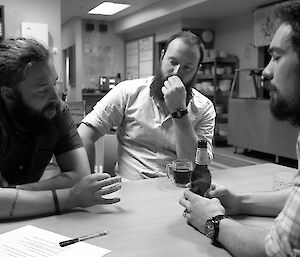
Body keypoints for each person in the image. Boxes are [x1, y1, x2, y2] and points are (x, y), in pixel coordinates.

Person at [179, 1, 300, 256]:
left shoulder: (203, 105)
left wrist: (213, 222)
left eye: (277, 57)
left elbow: (277, 251)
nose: (265, 71)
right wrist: (239, 201)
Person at [0, 37, 121, 220]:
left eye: (54, 84)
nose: (56, 98)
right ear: (8, 94)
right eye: (42, 89)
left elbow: (80, 176)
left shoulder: (55, 111)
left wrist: (10, 194)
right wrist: (69, 197)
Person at [78, 31, 216, 180]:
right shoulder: (128, 92)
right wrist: (86, 182)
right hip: (130, 190)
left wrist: (179, 112)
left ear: (198, 69)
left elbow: (197, 166)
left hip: (178, 191)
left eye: (187, 67)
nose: (176, 73)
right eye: (172, 62)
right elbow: (83, 136)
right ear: (162, 56)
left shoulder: (204, 108)